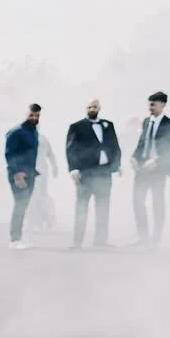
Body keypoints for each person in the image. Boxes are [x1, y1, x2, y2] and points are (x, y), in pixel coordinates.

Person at [66, 98, 122, 249]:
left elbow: (115, 146)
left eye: (95, 106)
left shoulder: (108, 125)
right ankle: (77, 243)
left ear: (99, 108)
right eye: (89, 106)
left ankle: (100, 241)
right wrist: (73, 168)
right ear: (86, 108)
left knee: (103, 208)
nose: (92, 109)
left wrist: (117, 165)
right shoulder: (76, 127)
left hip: (104, 173)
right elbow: (71, 149)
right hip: (85, 173)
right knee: (81, 208)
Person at [131, 91, 170, 248]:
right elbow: (142, 143)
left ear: (162, 104)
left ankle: (156, 239)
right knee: (137, 201)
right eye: (149, 104)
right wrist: (134, 157)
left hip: (159, 170)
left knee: (157, 203)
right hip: (142, 169)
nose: (150, 107)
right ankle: (142, 238)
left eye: (153, 104)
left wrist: (157, 161)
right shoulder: (146, 122)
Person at [4, 103, 43, 250]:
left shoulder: (34, 131)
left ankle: (18, 237)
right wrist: (16, 173)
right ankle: (14, 240)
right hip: (18, 174)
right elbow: (9, 154)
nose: (34, 118)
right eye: (31, 115)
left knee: (24, 205)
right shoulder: (16, 132)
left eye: (37, 115)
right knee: (20, 204)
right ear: (25, 114)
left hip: (30, 173)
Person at [31, 131, 60, 231]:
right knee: (36, 196)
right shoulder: (40, 138)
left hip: (40, 171)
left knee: (38, 196)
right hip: (34, 170)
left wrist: (55, 166)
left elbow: (50, 154)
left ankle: (43, 219)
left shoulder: (42, 139)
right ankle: (39, 220)